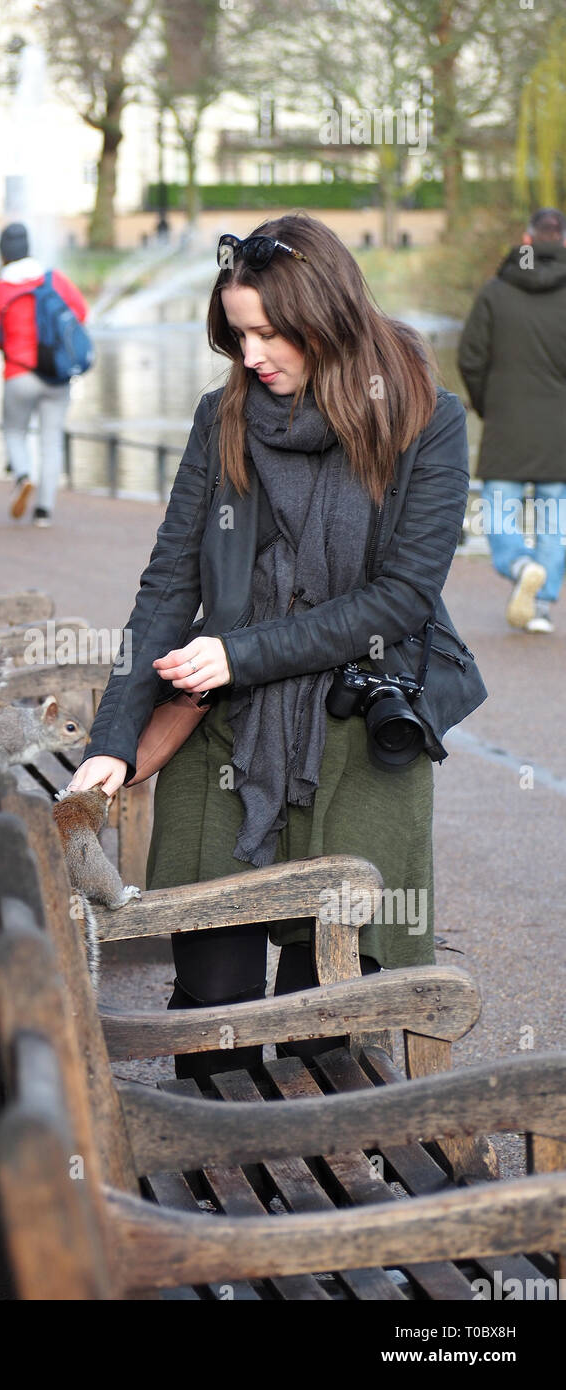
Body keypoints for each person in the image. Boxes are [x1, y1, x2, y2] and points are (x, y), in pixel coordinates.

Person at [66, 213, 487, 1086]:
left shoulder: (424, 421)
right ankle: (211, 1184)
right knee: (211, 1008)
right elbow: (165, 586)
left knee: (323, 1018)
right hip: (227, 731)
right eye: (238, 334)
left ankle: (327, 1192)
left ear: (326, 319)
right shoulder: (221, 420)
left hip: (358, 729)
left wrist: (238, 653)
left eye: (268, 332)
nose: (252, 355)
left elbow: (400, 601)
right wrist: (112, 741)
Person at [458, 207, 566, 635]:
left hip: (506, 426)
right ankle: (540, 606)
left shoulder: (495, 291)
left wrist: (489, 406)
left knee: (500, 515)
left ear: (526, 241)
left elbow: (469, 358)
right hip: (559, 431)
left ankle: (519, 564)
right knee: (554, 520)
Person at [0, 222, 87, 526]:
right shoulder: (54, 279)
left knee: (14, 431)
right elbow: (80, 313)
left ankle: (23, 475)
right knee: (51, 441)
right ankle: (44, 512)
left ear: (2, 253)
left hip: (19, 374)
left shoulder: (0, 289)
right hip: (57, 373)